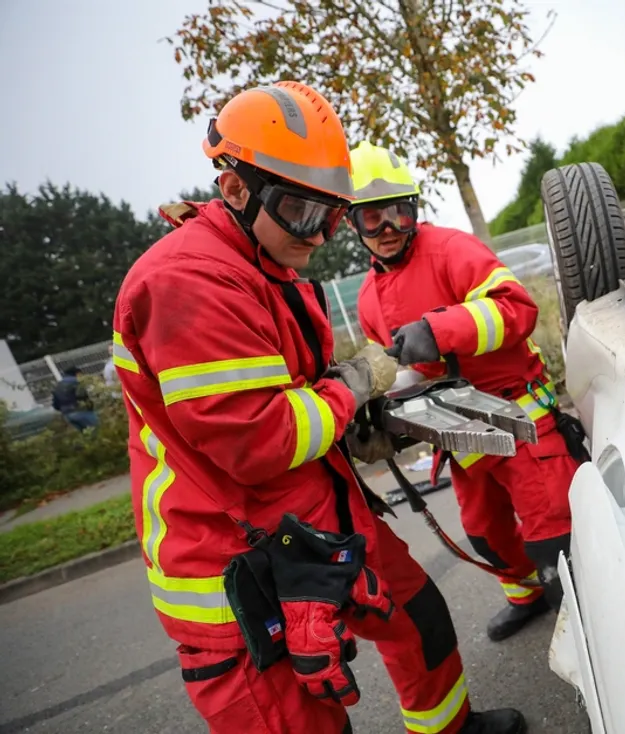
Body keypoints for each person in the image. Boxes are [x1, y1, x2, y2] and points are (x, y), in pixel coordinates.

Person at [111, 81, 525, 734]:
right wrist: (350, 388)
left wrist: (349, 417)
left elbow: (287, 396)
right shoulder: (187, 280)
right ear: (235, 188)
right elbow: (258, 439)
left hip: (317, 522)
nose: (321, 234)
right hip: (240, 567)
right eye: (303, 211)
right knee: (307, 721)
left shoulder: (262, 263)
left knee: (418, 620)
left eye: (332, 215)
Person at [346, 142, 581, 643]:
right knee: (485, 534)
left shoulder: (452, 249)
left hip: (520, 419)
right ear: (352, 224)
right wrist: (380, 413)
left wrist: (441, 330)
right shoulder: (367, 298)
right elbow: (404, 372)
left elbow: (517, 309)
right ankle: (528, 596)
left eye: (398, 212)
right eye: (372, 218)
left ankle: (588, 623)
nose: (388, 228)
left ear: (414, 209)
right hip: (461, 433)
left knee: (554, 532)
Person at [52, 366, 99, 431]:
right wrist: (91, 407)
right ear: (77, 373)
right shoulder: (76, 382)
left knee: (86, 433)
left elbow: (55, 405)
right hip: (81, 411)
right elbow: (83, 397)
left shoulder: (58, 386)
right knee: (96, 431)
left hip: (68, 415)